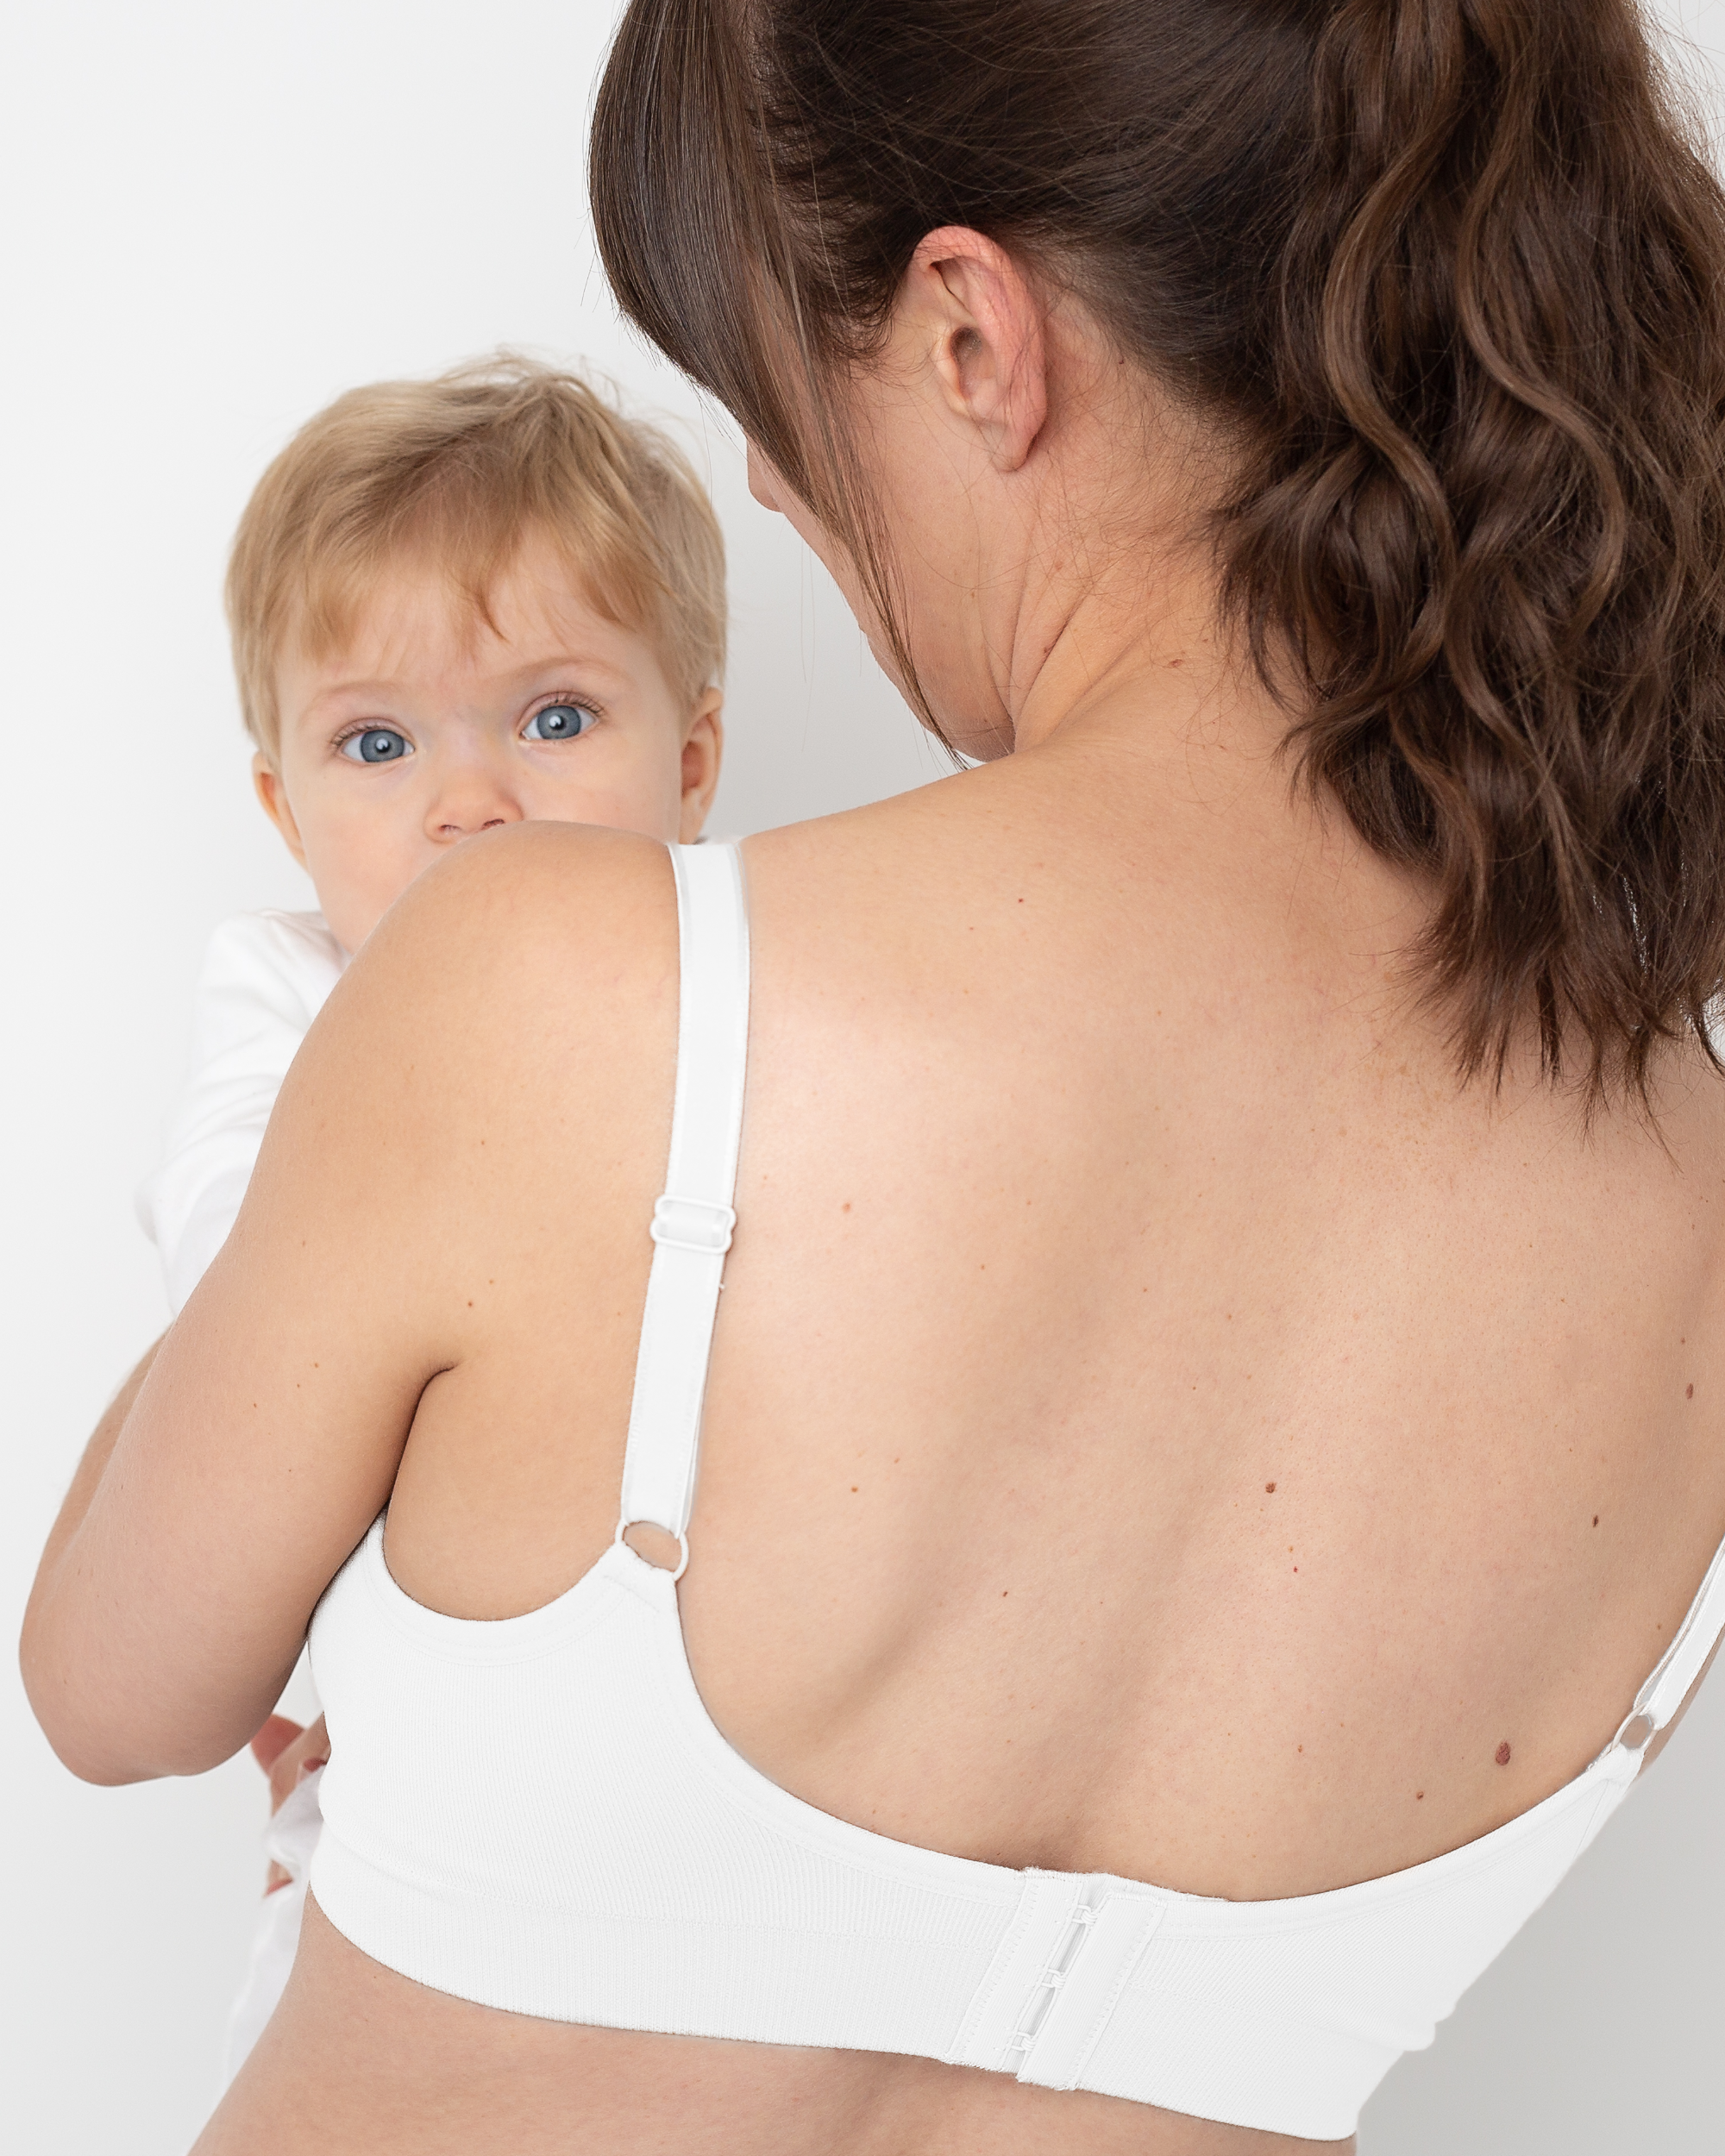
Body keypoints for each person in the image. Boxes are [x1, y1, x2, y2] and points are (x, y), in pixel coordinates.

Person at [23, 0, 1725, 2149]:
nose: (755, 469)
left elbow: (115, 1684)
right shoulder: (1691, 1235)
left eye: (757, 382)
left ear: (968, 340)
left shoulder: (562, 994)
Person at [130, 351, 728, 2078]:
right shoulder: (290, 998)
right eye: (377, 742)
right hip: (389, 1730)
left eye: (554, 717)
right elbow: (246, 1269)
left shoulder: (740, 981)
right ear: (286, 810)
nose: (468, 799)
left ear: (690, 759)